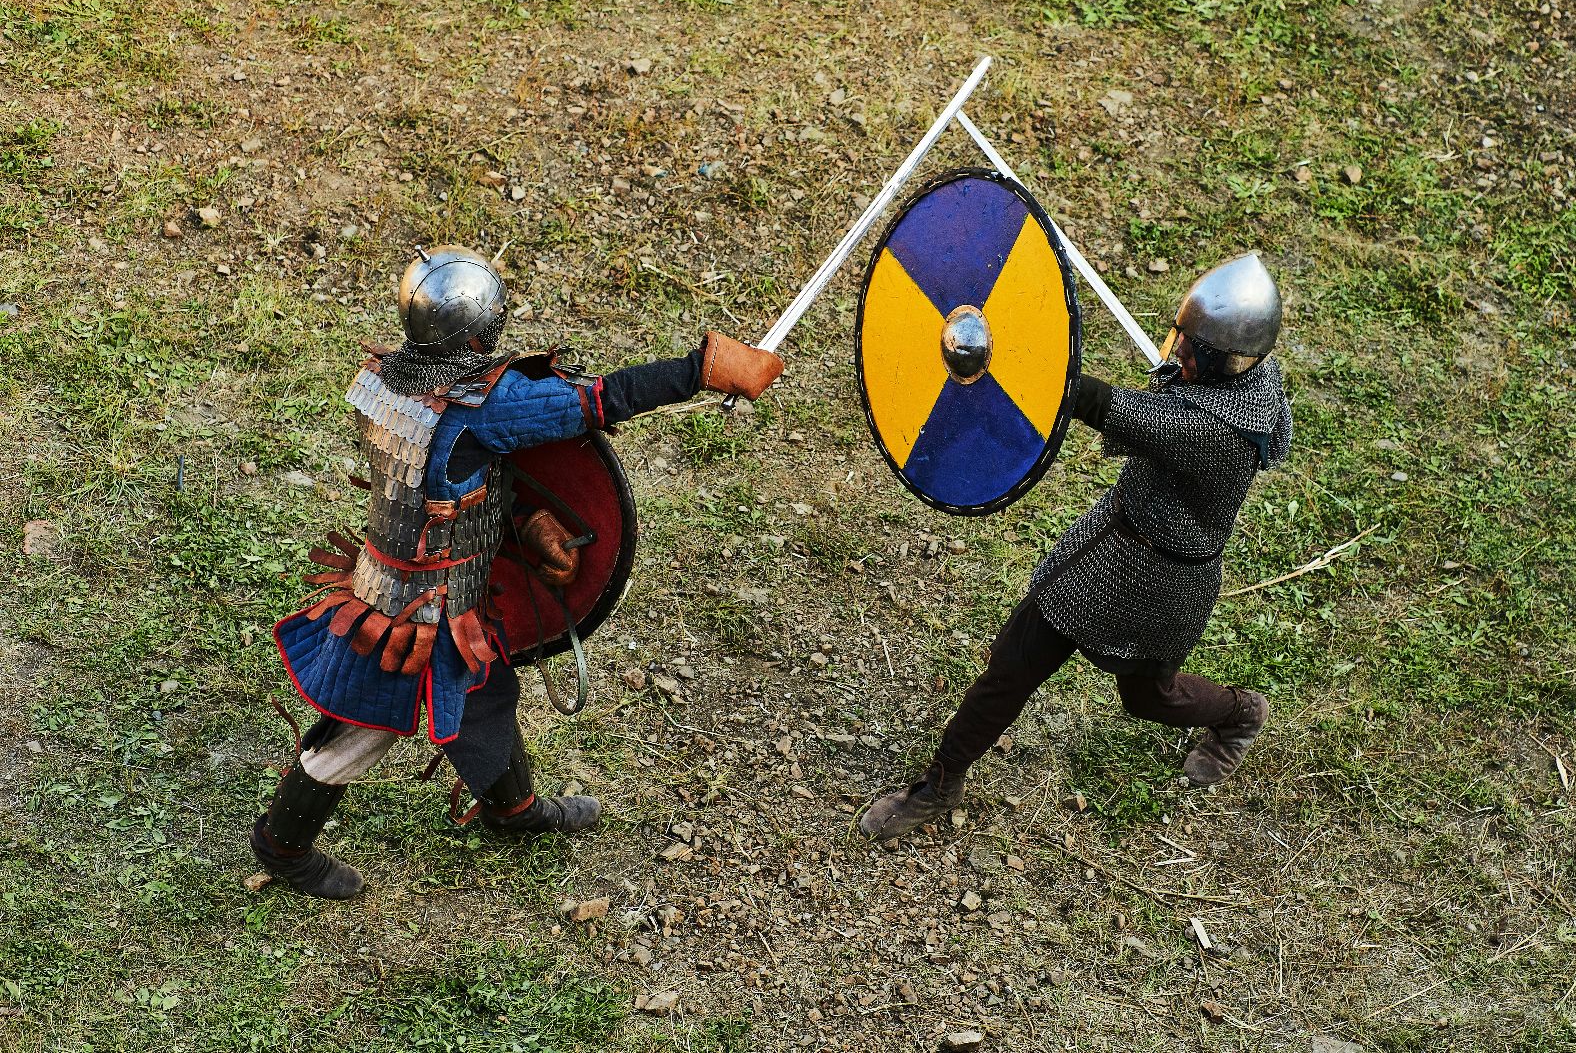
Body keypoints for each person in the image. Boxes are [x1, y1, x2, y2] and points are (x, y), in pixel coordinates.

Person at [254, 245, 783, 898]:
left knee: (486, 689)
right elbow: (598, 401)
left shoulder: (388, 377)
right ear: (478, 333)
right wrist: (701, 369)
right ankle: (282, 846)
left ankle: (513, 810)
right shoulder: (487, 405)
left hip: (412, 580)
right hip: (417, 609)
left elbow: (449, 476)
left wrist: (524, 519)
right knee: (364, 730)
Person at [860, 253, 1293, 841]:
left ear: (1226, 361)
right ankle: (939, 785)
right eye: (1183, 342)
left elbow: (1102, 404)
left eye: (1195, 351)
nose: (1180, 357)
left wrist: (1014, 357)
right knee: (1011, 665)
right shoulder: (1235, 376)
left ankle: (1241, 714)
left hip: (1167, 582)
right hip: (1106, 547)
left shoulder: (1226, 431)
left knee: (1148, 697)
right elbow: (1158, 404)